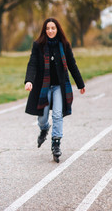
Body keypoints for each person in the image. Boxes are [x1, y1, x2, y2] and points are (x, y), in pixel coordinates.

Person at [24, 17, 85, 163]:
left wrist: (80, 84)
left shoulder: (64, 45)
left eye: (53, 28)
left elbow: (72, 65)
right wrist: (29, 81)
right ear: (44, 30)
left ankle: (56, 143)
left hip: (59, 86)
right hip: (43, 87)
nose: (50, 31)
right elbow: (32, 64)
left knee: (57, 114)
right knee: (43, 118)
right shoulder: (38, 45)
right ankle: (44, 129)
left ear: (57, 30)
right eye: (48, 28)